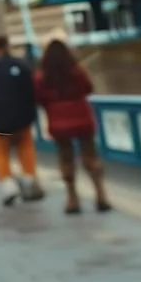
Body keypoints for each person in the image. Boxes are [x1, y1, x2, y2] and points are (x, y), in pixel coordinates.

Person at [33, 39, 110, 214]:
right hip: (82, 118)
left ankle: (72, 199)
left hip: (59, 122)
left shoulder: (42, 77)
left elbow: (38, 98)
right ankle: (100, 195)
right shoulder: (77, 71)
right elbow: (88, 88)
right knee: (91, 156)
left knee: (65, 158)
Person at [0, 34, 44, 206]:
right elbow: (33, 91)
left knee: (0, 154)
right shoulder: (22, 66)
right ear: (8, 46)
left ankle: (8, 185)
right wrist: (31, 113)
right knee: (26, 148)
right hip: (22, 118)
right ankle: (29, 179)